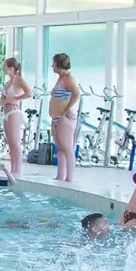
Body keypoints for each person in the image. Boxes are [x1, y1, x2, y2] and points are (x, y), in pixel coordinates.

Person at [48, 53, 80, 183]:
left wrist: (67, 109)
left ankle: (69, 178)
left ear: (58, 64)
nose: (52, 66)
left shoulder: (68, 78)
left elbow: (76, 94)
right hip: (56, 118)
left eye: (53, 63)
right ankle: (60, 176)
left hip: (63, 118)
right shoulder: (60, 78)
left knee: (67, 148)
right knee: (60, 148)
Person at [0, 58, 31, 176]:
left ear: (11, 68)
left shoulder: (18, 80)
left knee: (15, 141)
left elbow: (29, 93)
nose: (3, 69)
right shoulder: (8, 83)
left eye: (4, 67)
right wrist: (3, 100)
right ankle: (13, 168)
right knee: (10, 143)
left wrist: (16, 98)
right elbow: (2, 97)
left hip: (14, 112)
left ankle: (18, 169)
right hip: (6, 112)